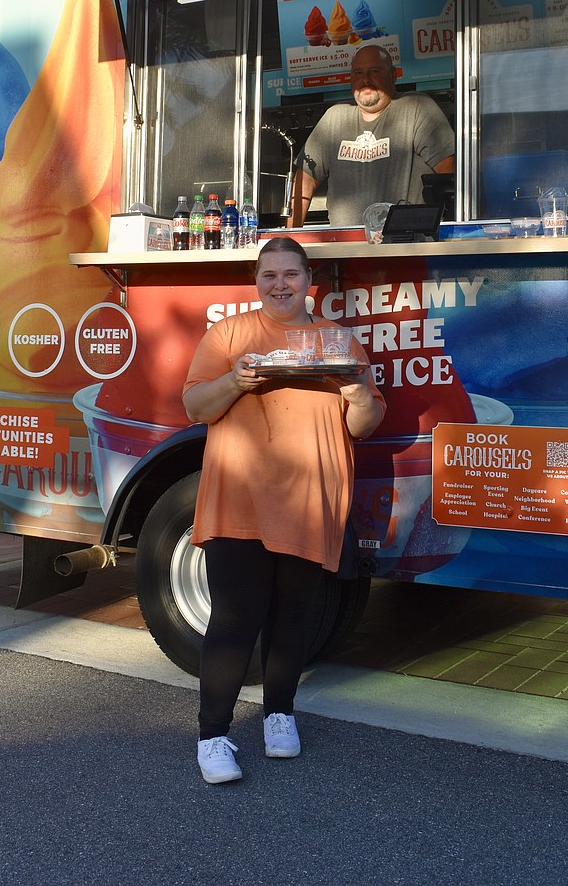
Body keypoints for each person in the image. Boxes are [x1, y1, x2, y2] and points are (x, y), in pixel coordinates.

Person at [182, 236, 385, 784]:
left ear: (308, 280)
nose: (280, 285)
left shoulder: (339, 342)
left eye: (290, 274)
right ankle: (213, 736)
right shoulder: (229, 335)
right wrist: (234, 380)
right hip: (240, 498)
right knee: (234, 619)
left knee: (294, 616)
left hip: (311, 501)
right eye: (269, 275)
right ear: (256, 281)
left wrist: (356, 391)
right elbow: (195, 406)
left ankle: (279, 714)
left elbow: (363, 425)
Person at [290, 43, 455, 227]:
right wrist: (290, 236)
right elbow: (304, 180)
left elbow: (451, 178)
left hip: (406, 240)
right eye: (358, 73)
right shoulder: (334, 117)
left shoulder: (416, 107)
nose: (366, 79)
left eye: (374, 71)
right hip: (346, 243)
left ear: (393, 75)